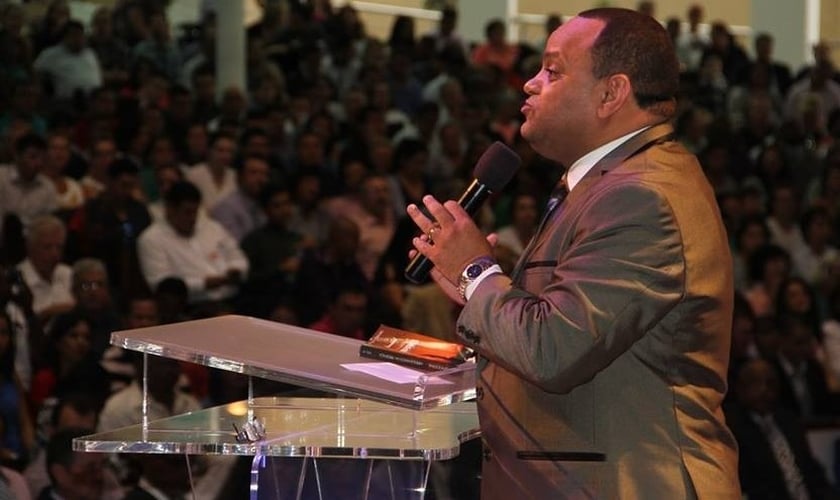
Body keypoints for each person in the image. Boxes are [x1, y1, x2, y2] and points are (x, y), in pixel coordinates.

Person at [406, 8, 740, 497]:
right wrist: (481, 294)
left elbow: (554, 351)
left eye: (552, 70)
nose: (529, 83)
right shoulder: (608, 183)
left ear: (611, 93)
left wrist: (477, 274)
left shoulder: (642, 196)